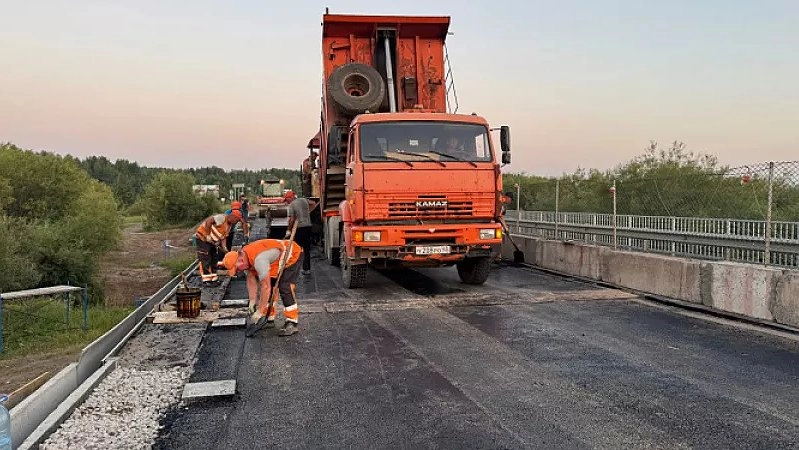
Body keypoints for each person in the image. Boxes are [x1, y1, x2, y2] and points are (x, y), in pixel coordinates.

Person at [222, 238, 303, 337]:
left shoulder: (259, 260)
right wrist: (252, 301)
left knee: (284, 287)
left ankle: (292, 322)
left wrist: (259, 311)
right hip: (275, 261)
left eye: (237, 268)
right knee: (272, 286)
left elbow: (265, 287)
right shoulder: (246, 257)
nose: (238, 271)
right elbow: (251, 279)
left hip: (292, 255)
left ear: (241, 260)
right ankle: (269, 317)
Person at [195, 209, 243, 285]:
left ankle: (213, 279)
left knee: (214, 258)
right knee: (205, 258)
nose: (236, 222)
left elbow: (223, 237)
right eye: (236, 220)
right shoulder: (222, 218)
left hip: (211, 242)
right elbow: (209, 221)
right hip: (203, 239)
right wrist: (207, 235)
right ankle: (207, 280)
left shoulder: (229, 226)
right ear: (232, 217)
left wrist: (225, 249)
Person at [284, 190, 318, 275]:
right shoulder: (303, 200)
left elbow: (291, 219)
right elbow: (313, 203)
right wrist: (308, 212)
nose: (287, 201)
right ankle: (307, 269)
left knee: (296, 249)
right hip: (308, 227)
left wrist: (288, 230)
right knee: (306, 249)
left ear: (291, 197)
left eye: (287, 199)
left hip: (298, 229)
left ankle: (294, 268)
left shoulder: (292, 205)